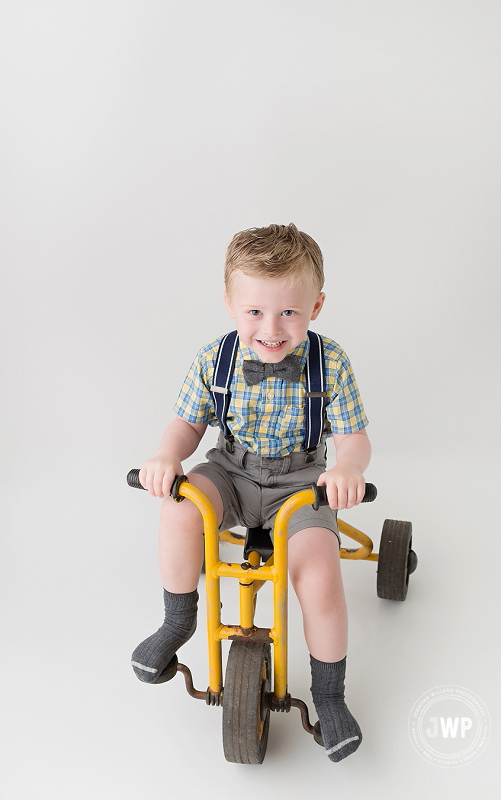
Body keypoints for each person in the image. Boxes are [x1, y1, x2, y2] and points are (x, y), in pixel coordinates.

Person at [132, 223, 371, 762]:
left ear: (317, 305)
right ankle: (177, 622)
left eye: (289, 311)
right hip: (232, 471)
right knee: (179, 509)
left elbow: (354, 439)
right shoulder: (213, 359)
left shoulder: (329, 363)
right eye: (255, 312)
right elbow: (187, 425)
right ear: (229, 304)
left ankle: (330, 696)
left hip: (302, 485)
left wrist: (348, 468)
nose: (271, 328)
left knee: (320, 575)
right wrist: (169, 455)